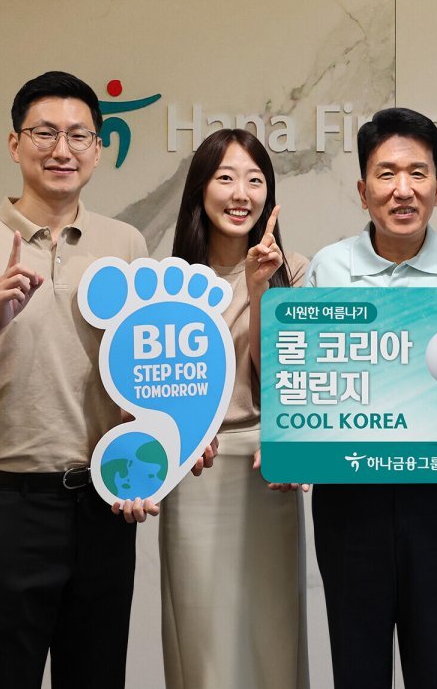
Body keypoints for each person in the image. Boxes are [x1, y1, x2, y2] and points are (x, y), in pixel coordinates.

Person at [0, 71, 186, 689]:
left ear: (98, 149)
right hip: (3, 508)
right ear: (15, 144)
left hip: (102, 508)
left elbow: (144, 381)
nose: (63, 149)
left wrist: (161, 453)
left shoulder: (125, 244)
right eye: (45, 133)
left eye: (79, 135)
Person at [303, 106, 437, 688]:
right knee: (356, 668)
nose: (403, 189)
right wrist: (294, 447)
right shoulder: (329, 268)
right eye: (386, 174)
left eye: (418, 173)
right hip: (349, 499)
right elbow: (311, 379)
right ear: (363, 190)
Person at [160, 128, 310, 688]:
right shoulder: (169, 281)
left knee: (272, 637)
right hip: (194, 469)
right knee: (204, 641)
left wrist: (259, 286)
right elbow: (152, 393)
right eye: (225, 178)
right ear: (201, 189)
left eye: (255, 180)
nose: (241, 193)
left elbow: (281, 382)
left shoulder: (294, 269)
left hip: (267, 468)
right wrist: (178, 434)